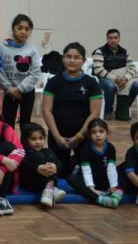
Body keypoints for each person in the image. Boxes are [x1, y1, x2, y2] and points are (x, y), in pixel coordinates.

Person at [42, 42, 103, 177]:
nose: (72, 60)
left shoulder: (91, 83)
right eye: (68, 56)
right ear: (63, 59)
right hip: (58, 137)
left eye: (76, 57)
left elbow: (95, 113)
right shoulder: (53, 82)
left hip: (84, 136)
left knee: (88, 176)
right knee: (60, 173)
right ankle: (71, 163)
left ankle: (75, 162)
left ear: (84, 60)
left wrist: (79, 137)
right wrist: (57, 137)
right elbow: (46, 110)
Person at [0, 14, 41, 130]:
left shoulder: (32, 50)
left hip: (27, 91)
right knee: (8, 122)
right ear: (13, 29)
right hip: (9, 91)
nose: (23, 32)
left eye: (27, 29)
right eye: (20, 28)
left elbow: (35, 73)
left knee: (25, 123)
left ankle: (26, 147)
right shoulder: (1, 47)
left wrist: (20, 88)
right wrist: (9, 88)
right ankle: (9, 146)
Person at [65, 119, 122, 209]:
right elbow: (86, 170)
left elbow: (111, 168)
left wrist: (113, 185)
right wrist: (91, 189)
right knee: (71, 178)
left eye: (101, 131)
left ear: (106, 133)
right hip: (89, 181)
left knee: (124, 170)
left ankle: (117, 192)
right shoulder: (85, 149)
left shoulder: (111, 148)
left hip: (104, 180)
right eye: (94, 132)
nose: (98, 135)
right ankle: (100, 200)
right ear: (90, 135)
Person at [92, 29, 138, 121]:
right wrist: (114, 78)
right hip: (103, 78)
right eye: (110, 38)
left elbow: (132, 68)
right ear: (107, 39)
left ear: (119, 39)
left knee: (136, 86)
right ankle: (108, 111)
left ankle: (121, 109)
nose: (113, 40)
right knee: (111, 86)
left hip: (122, 78)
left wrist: (126, 78)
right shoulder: (99, 51)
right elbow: (98, 70)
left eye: (115, 38)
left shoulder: (124, 52)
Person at [18, 122, 66, 208]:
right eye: (33, 139)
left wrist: (55, 167)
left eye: (41, 138)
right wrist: (37, 168)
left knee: (51, 158)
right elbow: (23, 165)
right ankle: (50, 188)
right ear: (25, 139)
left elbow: (60, 164)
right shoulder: (22, 152)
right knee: (39, 156)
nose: (38, 142)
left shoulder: (47, 151)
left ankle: (49, 189)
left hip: (43, 183)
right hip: (29, 182)